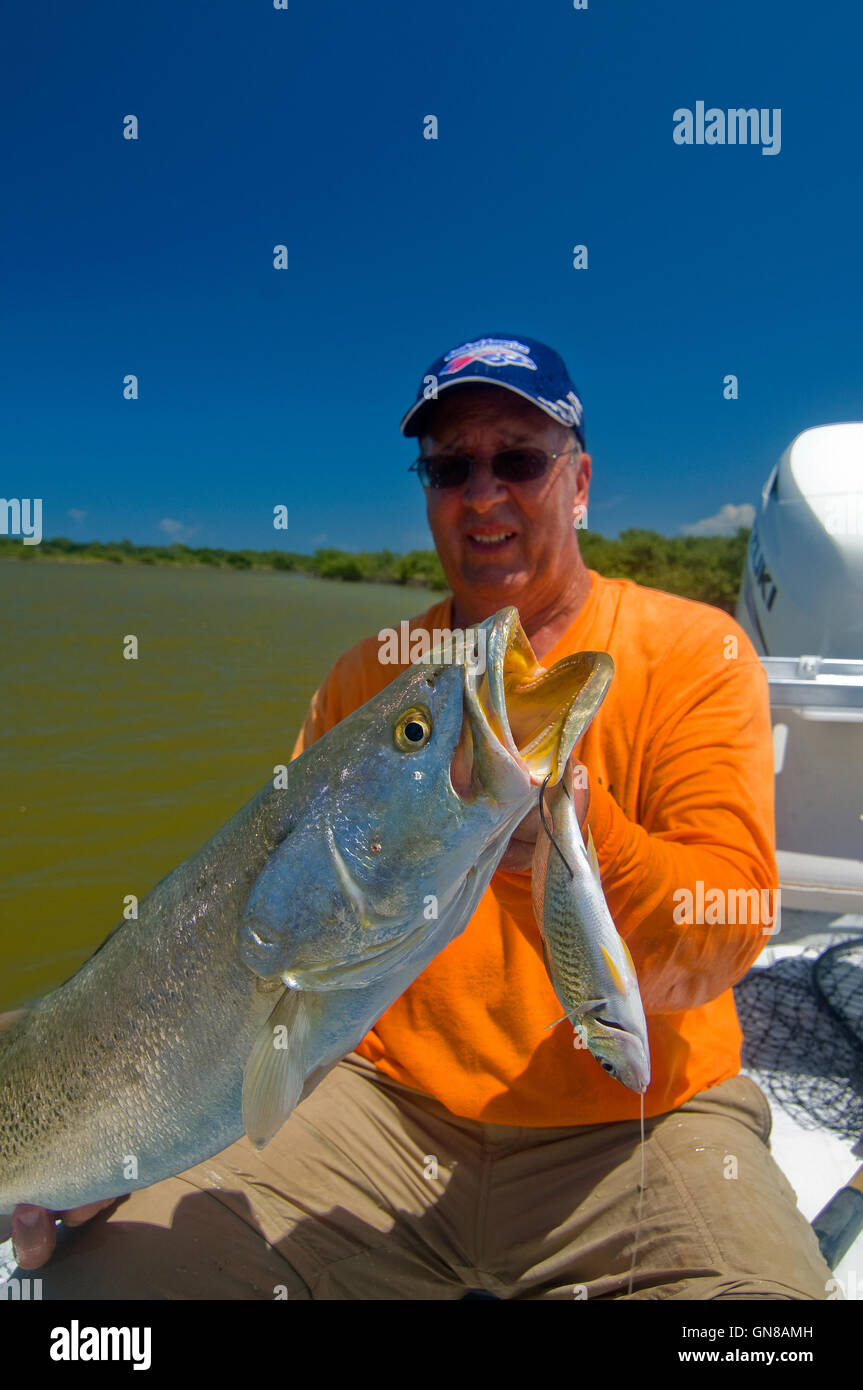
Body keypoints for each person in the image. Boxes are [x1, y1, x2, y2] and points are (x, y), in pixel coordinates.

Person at [7, 334, 833, 1299]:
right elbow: (281, 936)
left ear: (578, 483)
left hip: (641, 1126)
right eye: (449, 467)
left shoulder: (696, 652)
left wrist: (569, 833)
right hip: (375, 1111)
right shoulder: (368, 676)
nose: (482, 493)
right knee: (102, 1303)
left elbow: (721, 937)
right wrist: (130, 1136)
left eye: (518, 459)